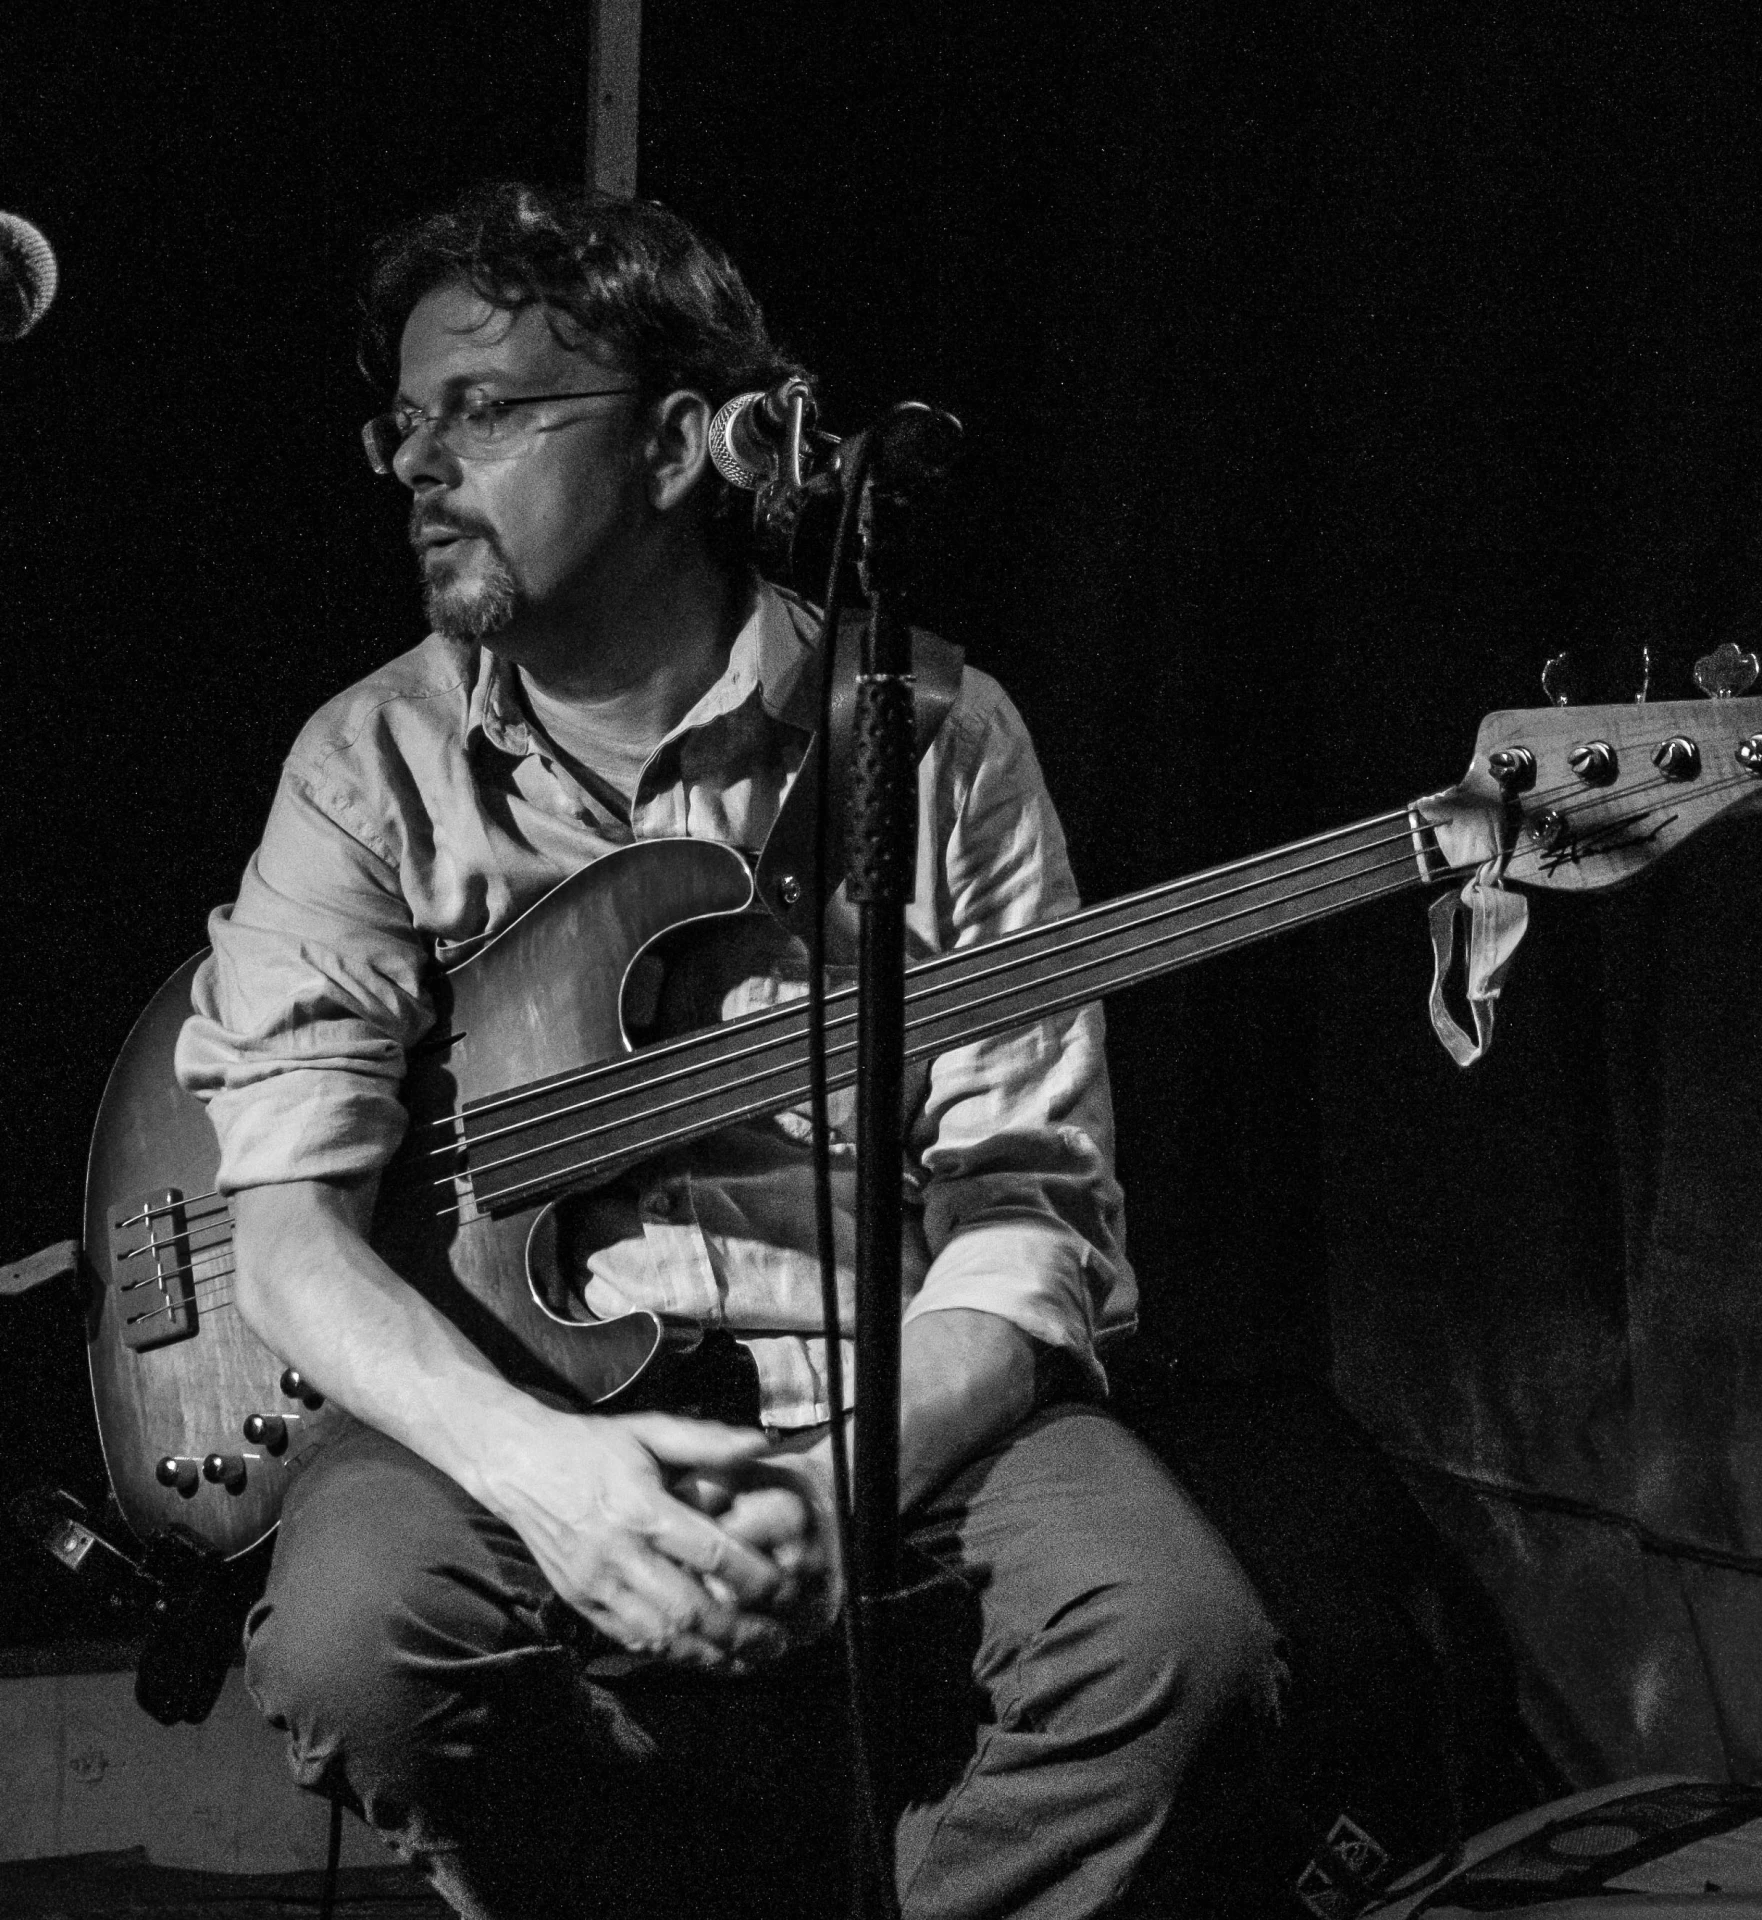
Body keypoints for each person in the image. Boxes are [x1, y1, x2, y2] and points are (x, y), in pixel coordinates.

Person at [176, 182, 1281, 1919]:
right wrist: (545, 1477)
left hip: (892, 1377)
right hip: (521, 1395)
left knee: (1173, 1645)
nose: (414, 461)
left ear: (682, 443)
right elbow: (291, 1237)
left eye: (484, 409)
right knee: (353, 1646)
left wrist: (830, 1485)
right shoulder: (366, 762)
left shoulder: (934, 736)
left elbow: (1031, 1211)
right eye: (405, 417)